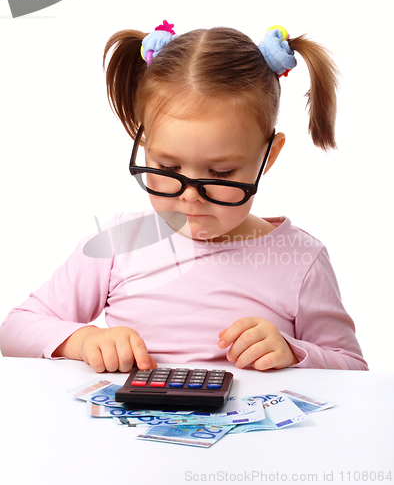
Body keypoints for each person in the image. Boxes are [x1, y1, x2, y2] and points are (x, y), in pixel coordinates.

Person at [0, 21, 368, 373]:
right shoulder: (119, 244)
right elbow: (15, 331)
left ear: (267, 157)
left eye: (221, 173)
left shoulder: (300, 260)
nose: (190, 197)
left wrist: (294, 352)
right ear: (145, 147)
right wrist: (81, 341)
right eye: (168, 167)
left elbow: (352, 368)